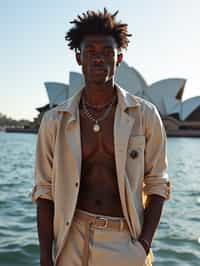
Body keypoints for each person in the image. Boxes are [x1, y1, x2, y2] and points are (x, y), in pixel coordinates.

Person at [32, 8, 171, 266]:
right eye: (90, 52)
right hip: (69, 240)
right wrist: (45, 257)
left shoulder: (146, 115)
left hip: (125, 242)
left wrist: (143, 246)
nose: (98, 59)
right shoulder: (54, 121)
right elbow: (44, 192)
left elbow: (158, 184)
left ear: (118, 58)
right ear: (78, 57)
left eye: (107, 51)